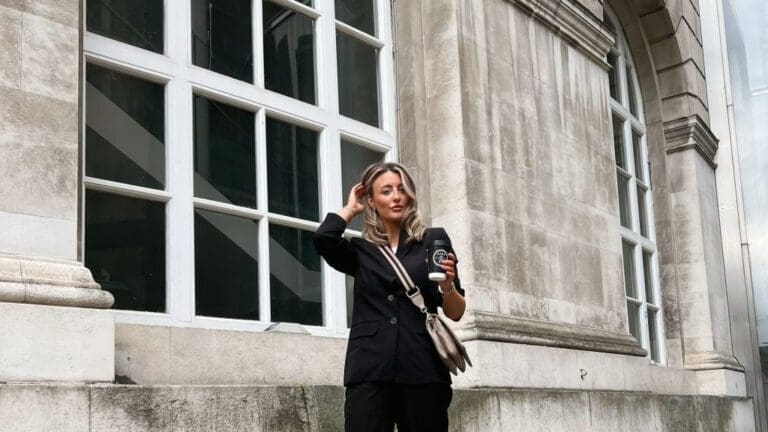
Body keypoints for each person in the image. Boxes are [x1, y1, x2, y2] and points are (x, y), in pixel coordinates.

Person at [314, 162, 466, 432]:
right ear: (371, 200)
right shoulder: (360, 251)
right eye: (386, 191)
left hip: (423, 368)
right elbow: (324, 239)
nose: (396, 197)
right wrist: (350, 209)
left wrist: (448, 285)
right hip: (370, 369)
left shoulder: (432, 240)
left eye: (401, 189)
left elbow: (455, 312)